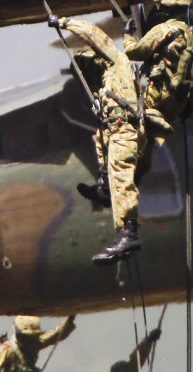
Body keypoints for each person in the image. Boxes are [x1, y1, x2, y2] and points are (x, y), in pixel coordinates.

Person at [48, 15, 144, 264]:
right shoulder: (104, 80)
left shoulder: (115, 62)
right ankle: (103, 188)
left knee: (121, 177)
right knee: (100, 141)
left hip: (125, 130)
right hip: (114, 129)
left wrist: (64, 23)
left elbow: (93, 33)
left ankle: (128, 234)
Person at [123, 0, 193, 156]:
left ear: (166, 7)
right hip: (182, 99)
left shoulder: (166, 29)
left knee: (124, 124)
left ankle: (122, 173)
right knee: (148, 141)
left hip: (160, 95)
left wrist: (127, 35)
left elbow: (134, 52)